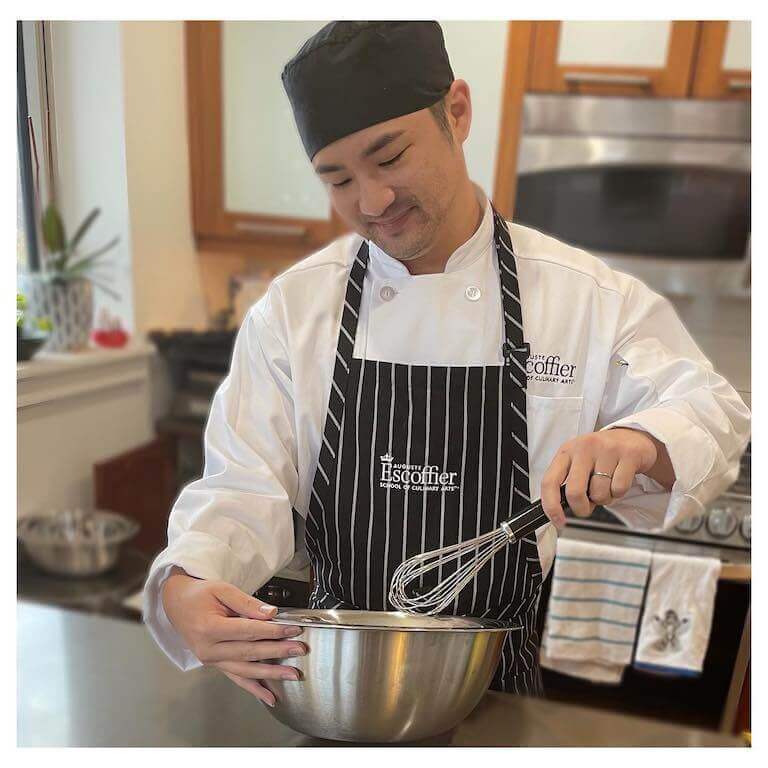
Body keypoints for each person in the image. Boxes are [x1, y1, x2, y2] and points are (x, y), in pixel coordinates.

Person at [144, 21, 750, 706]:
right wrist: (187, 581)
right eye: (338, 179)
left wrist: (638, 440)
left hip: (498, 698)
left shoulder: (583, 298)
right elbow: (241, 484)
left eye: (390, 157)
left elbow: (714, 411)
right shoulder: (294, 313)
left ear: (457, 113)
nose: (371, 202)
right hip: (338, 690)